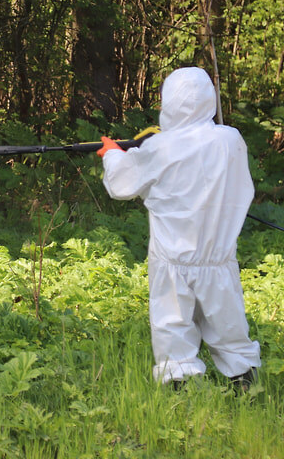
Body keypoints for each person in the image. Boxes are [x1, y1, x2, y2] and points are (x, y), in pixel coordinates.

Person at [96, 66, 260, 390]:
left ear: (169, 102)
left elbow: (121, 184)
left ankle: (180, 388)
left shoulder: (160, 148)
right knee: (229, 325)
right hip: (218, 258)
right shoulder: (230, 140)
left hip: (172, 259)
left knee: (172, 325)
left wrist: (113, 154)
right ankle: (245, 382)